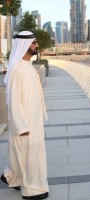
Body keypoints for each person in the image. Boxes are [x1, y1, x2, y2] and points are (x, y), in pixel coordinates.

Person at [1, 31, 49, 199]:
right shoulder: (17, 69)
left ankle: (12, 177)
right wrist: (21, 126)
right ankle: (33, 190)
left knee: (22, 152)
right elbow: (13, 100)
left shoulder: (27, 65)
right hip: (25, 122)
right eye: (34, 43)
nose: (36, 45)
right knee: (29, 153)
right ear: (24, 45)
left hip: (33, 119)